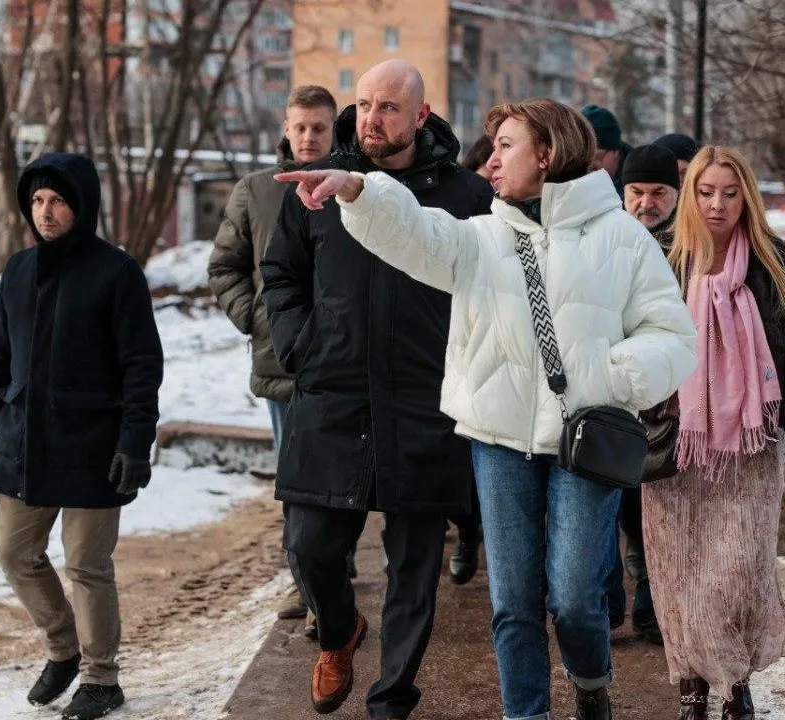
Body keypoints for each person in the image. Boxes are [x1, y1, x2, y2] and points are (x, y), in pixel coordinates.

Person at [277, 97, 697, 720]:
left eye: (506, 146)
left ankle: (590, 680)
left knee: (579, 597)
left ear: (547, 153)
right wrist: (358, 189)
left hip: (584, 443)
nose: (491, 161)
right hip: (499, 443)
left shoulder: (624, 239)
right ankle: (525, 713)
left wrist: (607, 378)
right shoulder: (482, 237)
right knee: (513, 601)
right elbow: (414, 231)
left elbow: (672, 338)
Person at [259, 60, 493, 720]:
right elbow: (281, 275)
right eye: (364, 104)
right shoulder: (315, 187)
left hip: (424, 400)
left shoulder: (465, 196)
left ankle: (392, 700)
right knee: (309, 545)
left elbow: (484, 289)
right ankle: (339, 633)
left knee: (413, 568)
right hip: (332, 394)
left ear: (421, 115)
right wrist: (302, 344)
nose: (372, 118)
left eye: (389, 107)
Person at [0, 153, 164, 720]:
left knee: (87, 566)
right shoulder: (19, 269)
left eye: (58, 200)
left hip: (94, 443)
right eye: (38, 201)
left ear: (82, 205)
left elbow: (142, 365)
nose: (45, 211)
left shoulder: (117, 273)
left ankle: (102, 677)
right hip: (25, 439)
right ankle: (63, 648)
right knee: (14, 549)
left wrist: (133, 441)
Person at [641, 146, 785, 720]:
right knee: (679, 571)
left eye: (729, 192)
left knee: (737, 569)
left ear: (746, 196)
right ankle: (693, 683)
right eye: (705, 192)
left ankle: (733, 678)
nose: (716, 204)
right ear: (690, 195)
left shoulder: (774, 262)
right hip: (677, 443)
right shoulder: (664, 260)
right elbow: (634, 347)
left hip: (750, 443)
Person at [206, 84, 340, 636]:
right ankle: (306, 584)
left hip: (343, 363)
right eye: (300, 127)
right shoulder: (255, 191)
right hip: (282, 366)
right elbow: (224, 268)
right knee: (295, 478)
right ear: (285, 130)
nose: (308, 137)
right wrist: (258, 321)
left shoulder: (355, 189)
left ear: (334, 131)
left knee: (340, 476)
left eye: (319, 128)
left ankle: (333, 576)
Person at [602, 140, 682, 646]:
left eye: (659, 192)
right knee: (609, 503)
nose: (646, 202)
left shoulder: (690, 249)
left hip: (667, 404)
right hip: (609, 396)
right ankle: (609, 600)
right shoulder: (605, 241)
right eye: (636, 191)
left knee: (655, 507)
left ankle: (651, 603)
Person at [445, 133, 496, 586]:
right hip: (454, 345)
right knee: (457, 455)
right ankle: (466, 533)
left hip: (498, 349)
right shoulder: (459, 212)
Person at [582, 104, 632, 195]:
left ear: (616, 152)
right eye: (584, 157)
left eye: (598, 156)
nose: (590, 164)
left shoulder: (638, 185)